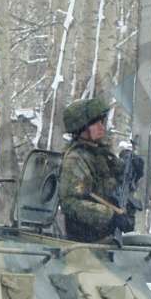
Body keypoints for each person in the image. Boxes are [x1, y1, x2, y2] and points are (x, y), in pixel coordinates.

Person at [57, 97, 143, 243]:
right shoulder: (76, 159)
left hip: (106, 239)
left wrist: (132, 165)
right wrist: (110, 216)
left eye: (102, 122)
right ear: (82, 128)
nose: (102, 127)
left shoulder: (100, 153)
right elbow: (70, 202)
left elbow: (118, 178)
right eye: (96, 124)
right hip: (86, 241)